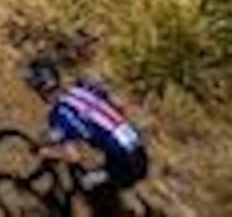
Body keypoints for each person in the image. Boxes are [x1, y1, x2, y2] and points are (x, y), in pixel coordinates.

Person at [26, 60, 151, 213]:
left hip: (127, 166)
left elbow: (74, 157)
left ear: (40, 90)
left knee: (86, 183)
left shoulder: (60, 116)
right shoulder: (83, 88)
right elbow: (118, 104)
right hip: (138, 150)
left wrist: (42, 150)